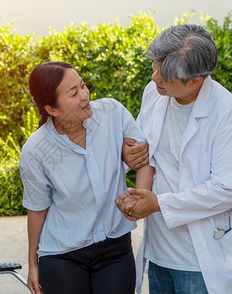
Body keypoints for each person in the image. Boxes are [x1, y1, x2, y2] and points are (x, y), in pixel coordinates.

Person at [116, 24, 232, 294]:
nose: (154, 79)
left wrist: (159, 204)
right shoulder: (155, 94)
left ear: (195, 80)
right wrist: (128, 156)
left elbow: (227, 190)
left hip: (203, 260)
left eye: (164, 78)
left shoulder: (228, 117)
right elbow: (144, 149)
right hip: (161, 252)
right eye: (154, 69)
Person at [19, 61, 154, 294]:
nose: (84, 95)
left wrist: (139, 199)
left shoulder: (112, 113)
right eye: (73, 93)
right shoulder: (36, 150)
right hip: (62, 255)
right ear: (52, 109)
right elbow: (38, 209)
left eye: (82, 85)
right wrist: (32, 263)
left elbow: (143, 159)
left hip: (115, 248)